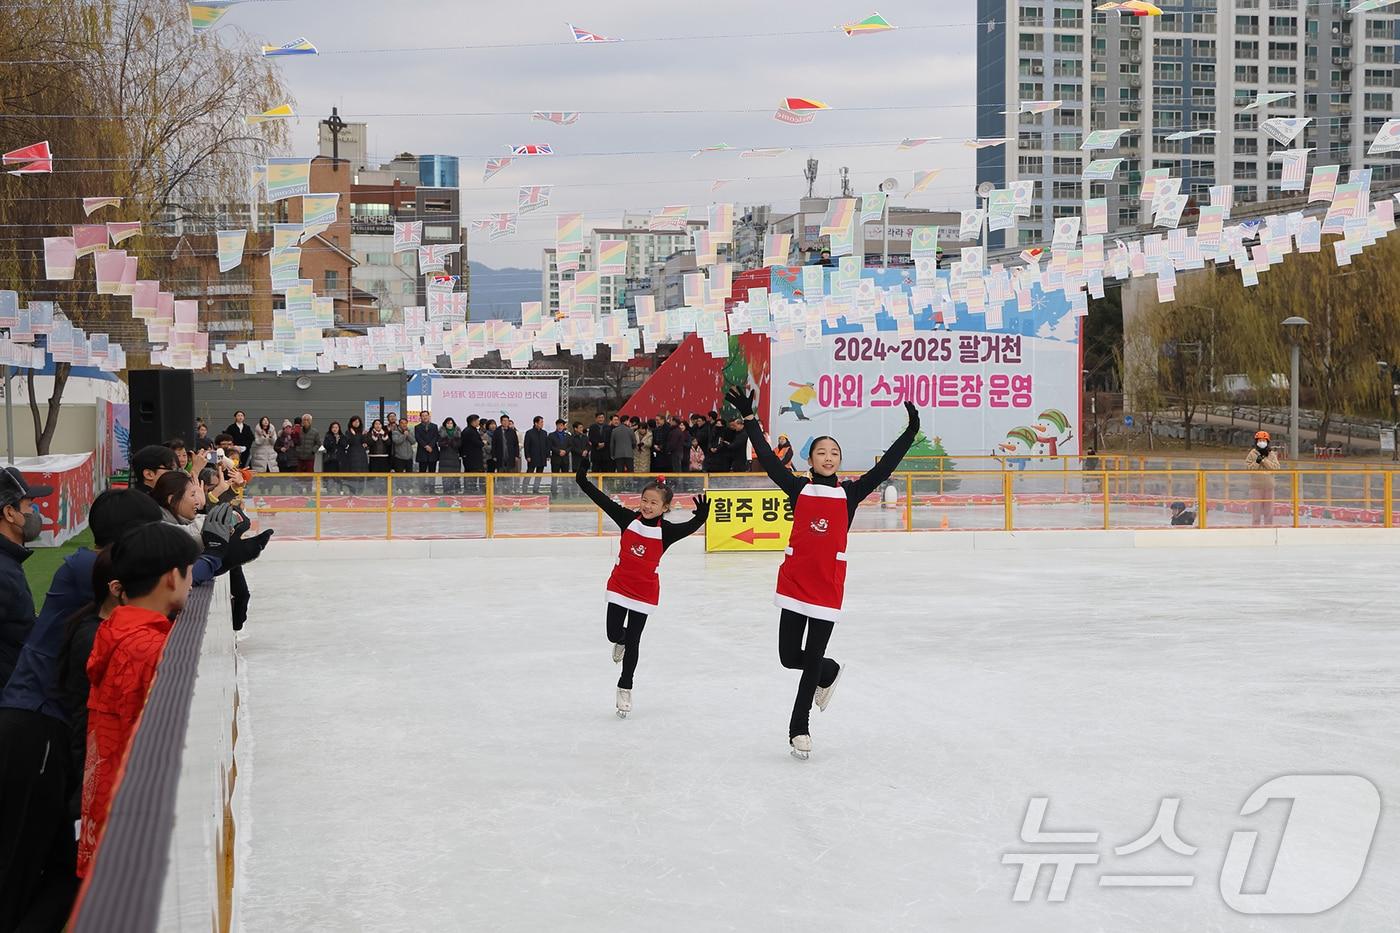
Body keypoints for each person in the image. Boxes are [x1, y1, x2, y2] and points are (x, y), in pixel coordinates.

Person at [727, 387, 919, 759]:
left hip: (828, 588)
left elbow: (885, 468)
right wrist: (751, 420)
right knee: (788, 656)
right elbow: (767, 460)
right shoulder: (798, 488)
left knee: (809, 660)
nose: (828, 458)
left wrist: (909, 433)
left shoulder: (850, 493)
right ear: (811, 459)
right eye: (821, 452)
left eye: (834, 453)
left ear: (839, 461)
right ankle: (828, 671)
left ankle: (799, 728)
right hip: (796, 582)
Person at [0, 492, 158, 931]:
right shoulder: (86, 568)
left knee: (59, 867)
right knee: (21, 864)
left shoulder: (98, 572)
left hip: (43, 724)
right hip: (35, 726)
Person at [78, 521, 201, 877]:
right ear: (170, 577)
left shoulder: (115, 629)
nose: (192, 581)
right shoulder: (150, 649)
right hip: (132, 817)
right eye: (189, 572)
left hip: (109, 803)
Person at [575, 462, 709, 717]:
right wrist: (582, 480)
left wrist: (700, 517)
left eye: (653, 503)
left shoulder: (666, 532)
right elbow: (600, 499)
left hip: (644, 592)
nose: (647, 506)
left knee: (635, 641)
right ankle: (620, 641)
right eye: (645, 500)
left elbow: (689, 527)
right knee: (613, 633)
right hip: (619, 585)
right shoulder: (627, 518)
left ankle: (625, 686)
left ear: (665, 508)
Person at [0, 468, 51, 693]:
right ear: (10, 513)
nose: (34, 513)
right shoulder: (3, 571)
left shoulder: (9, 561)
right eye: (29, 506)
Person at [1245, 430, 1281, 527]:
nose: (1262, 442)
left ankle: (1268, 529)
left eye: (1264, 440)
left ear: (1267, 442)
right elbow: (1248, 469)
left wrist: (1264, 461)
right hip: (1256, 487)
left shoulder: (1271, 454)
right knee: (1256, 512)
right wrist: (1257, 462)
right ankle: (1255, 529)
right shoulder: (1252, 453)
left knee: (1269, 512)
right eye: (1260, 440)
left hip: (1269, 487)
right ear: (1256, 442)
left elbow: (1276, 468)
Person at [524, 415, 551, 494]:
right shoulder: (529, 433)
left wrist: (547, 455)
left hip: (542, 457)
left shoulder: (544, 433)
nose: (542, 424)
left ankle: (536, 490)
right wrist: (527, 456)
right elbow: (526, 446)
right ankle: (524, 490)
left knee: (539, 474)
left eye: (542, 422)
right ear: (536, 423)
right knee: (529, 473)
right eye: (541, 422)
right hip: (532, 457)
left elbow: (547, 445)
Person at [438, 417, 463, 494]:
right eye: (448, 423)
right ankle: (446, 491)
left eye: (451, 423)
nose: (449, 425)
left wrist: (451, 442)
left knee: (455, 476)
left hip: (454, 458)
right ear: (445, 424)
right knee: (445, 477)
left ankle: (455, 491)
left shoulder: (458, 433)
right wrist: (446, 442)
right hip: (444, 458)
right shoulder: (441, 433)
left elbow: (459, 445)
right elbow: (440, 444)